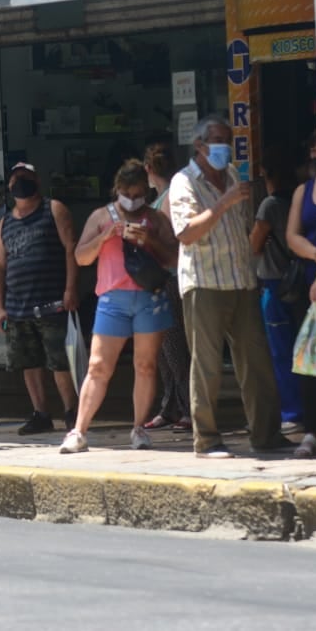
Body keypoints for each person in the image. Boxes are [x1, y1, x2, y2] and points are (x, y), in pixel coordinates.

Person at [169, 117, 283, 459]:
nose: (225, 146)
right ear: (200, 146)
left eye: (228, 139)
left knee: (256, 360)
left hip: (241, 280)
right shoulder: (183, 181)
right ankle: (206, 439)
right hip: (204, 282)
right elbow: (186, 232)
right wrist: (224, 202)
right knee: (206, 364)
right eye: (218, 140)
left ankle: (266, 434)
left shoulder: (232, 174)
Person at [59, 160, 177, 453]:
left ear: (146, 192)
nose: (133, 199)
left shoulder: (155, 218)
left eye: (138, 193)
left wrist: (149, 239)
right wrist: (104, 237)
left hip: (150, 297)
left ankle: (139, 428)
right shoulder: (101, 216)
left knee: (146, 365)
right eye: (127, 193)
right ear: (117, 190)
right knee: (98, 365)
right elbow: (81, 257)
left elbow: (175, 258)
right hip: (112, 300)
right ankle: (79, 430)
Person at [0, 161, 80, 435]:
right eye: (15, 178)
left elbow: (70, 249)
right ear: (8, 186)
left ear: (36, 180)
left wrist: (71, 289)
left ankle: (72, 412)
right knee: (28, 362)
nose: (20, 182)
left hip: (52, 301)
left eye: (25, 176)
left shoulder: (53, 209)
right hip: (18, 307)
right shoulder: (4, 222)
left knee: (60, 361)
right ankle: (41, 413)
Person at [285, 134, 316, 459]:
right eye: (312, 146)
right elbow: (292, 236)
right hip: (311, 289)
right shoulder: (303, 192)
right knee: (310, 361)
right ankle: (312, 432)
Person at [251, 147, 305, 433]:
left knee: (281, 352)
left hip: (276, 284)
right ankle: (308, 406)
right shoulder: (301, 198)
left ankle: (292, 411)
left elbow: (254, 244)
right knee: (305, 347)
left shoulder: (269, 206)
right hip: (302, 281)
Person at [141, 139, 190, 433]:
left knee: (174, 347)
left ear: (149, 169)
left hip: (169, 278)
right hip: (158, 279)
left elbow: (170, 239)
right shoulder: (159, 198)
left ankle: (186, 407)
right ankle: (169, 406)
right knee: (161, 348)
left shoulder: (169, 197)